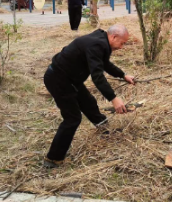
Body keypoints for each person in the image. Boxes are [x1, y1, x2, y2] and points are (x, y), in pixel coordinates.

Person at [43, 24, 135, 168]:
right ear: (114, 37)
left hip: (71, 79)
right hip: (58, 79)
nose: (121, 47)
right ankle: (53, 158)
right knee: (72, 118)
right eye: (121, 43)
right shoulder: (97, 44)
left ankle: (104, 129)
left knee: (89, 102)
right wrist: (113, 98)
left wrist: (123, 75)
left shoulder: (101, 41)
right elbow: (97, 76)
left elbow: (104, 64)